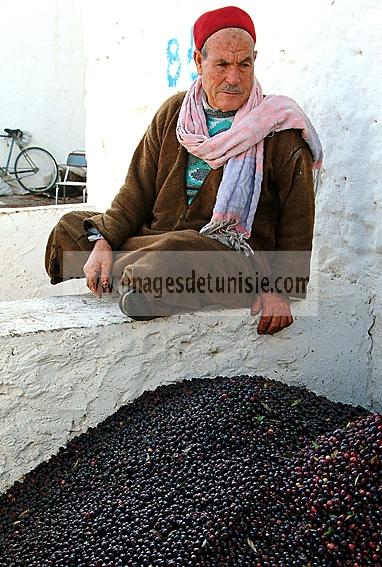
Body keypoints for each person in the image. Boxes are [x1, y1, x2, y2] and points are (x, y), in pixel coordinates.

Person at [45, 6, 322, 335]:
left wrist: (280, 289)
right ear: (199, 62)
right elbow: (136, 191)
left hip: (232, 259)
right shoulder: (175, 112)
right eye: (222, 64)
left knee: (175, 252)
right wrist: (104, 241)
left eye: (244, 64)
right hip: (158, 238)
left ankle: (143, 277)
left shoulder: (279, 126)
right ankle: (142, 278)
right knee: (71, 229)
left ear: (254, 61)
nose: (234, 78)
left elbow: (297, 220)